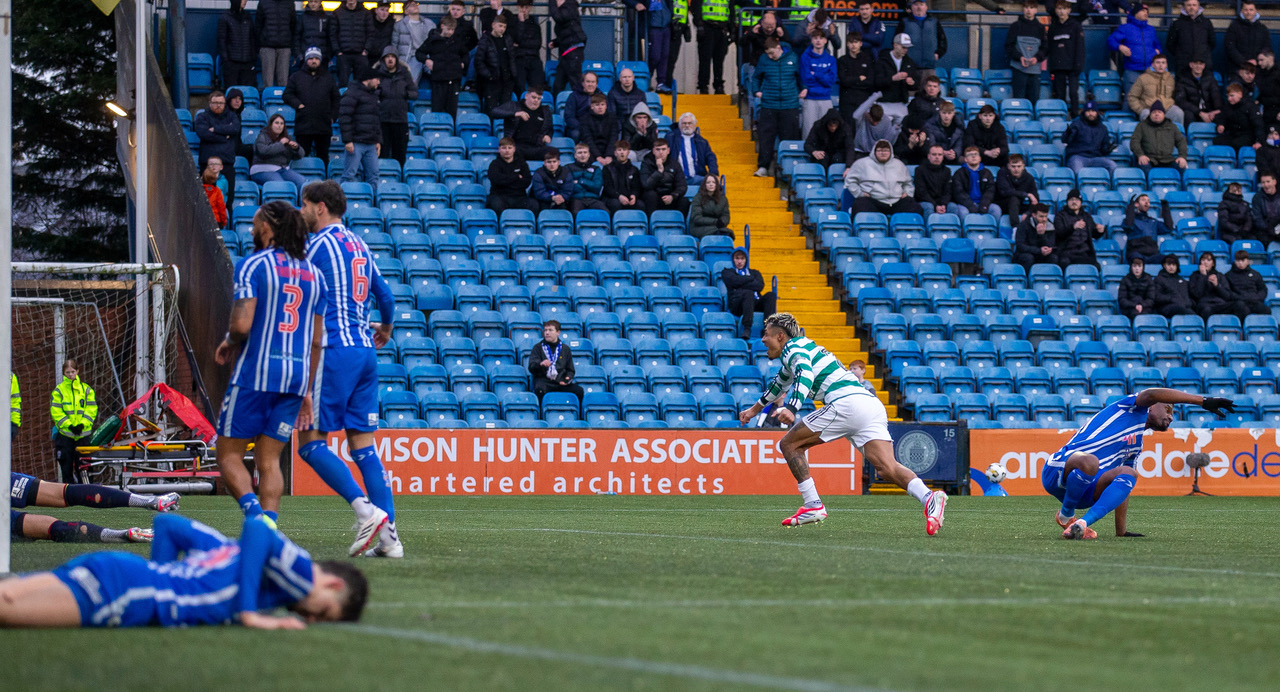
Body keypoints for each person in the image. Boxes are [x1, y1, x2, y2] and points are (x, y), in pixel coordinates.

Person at [738, 313, 949, 531]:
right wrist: (753, 411)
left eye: (766, 335)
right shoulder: (801, 350)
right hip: (870, 404)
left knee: (789, 444)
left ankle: (813, 504)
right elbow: (779, 384)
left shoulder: (794, 348)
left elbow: (805, 373)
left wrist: (792, 407)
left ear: (780, 336)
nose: (762, 339)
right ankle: (929, 498)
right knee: (887, 468)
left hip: (846, 403)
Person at [0, 514, 368, 629]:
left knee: (8, 594)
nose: (307, 618)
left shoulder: (232, 554)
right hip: (125, 592)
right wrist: (250, 614)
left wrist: (158, 574)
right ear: (332, 584)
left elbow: (168, 524)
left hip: (123, 573)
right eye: (321, 612)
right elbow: (259, 527)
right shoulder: (301, 573)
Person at [297, 181, 401, 558]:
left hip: (333, 350)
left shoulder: (316, 245)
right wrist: (385, 329)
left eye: (304, 205)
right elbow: (386, 296)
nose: (302, 212)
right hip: (364, 353)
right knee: (363, 446)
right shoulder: (359, 243)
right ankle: (390, 540)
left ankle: (365, 512)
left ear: (320, 207)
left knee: (309, 443)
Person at [214, 201, 325, 528]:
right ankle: (271, 528)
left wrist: (230, 341)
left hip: (256, 375)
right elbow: (317, 341)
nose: (251, 227)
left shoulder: (253, 265)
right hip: (294, 378)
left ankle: (255, 518)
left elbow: (241, 326)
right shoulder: (316, 276)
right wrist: (307, 389)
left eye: (255, 222)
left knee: (229, 455)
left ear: (267, 227)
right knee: (269, 461)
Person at [1045, 389, 1233, 540]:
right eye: (1168, 409)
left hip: (1084, 493)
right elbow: (1152, 394)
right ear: (1151, 406)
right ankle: (1066, 516)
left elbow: (1123, 487)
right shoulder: (1129, 407)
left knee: (1130, 473)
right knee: (1090, 461)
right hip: (1057, 470)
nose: (1171, 417)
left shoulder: (1136, 445)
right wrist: (1203, 401)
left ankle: (1082, 524)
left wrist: (1121, 531)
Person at [751, 36, 803, 178]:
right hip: (769, 105)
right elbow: (756, 77)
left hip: (789, 104)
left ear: (779, 48)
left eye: (772, 53)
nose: (770, 56)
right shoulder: (764, 59)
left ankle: (787, 170)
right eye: (768, 53)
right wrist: (756, 91)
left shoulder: (793, 57)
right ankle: (763, 167)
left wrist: (803, 88)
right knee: (766, 138)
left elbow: (800, 77)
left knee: (789, 138)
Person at [285, 47, 341, 161]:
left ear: (320, 60)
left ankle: (325, 179)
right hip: (303, 125)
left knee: (323, 157)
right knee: (302, 157)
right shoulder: (296, 76)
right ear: (306, 60)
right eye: (310, 58)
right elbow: (287, 94)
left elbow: (336, 99)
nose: (313, 61)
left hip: (323, 125)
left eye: (316, 58)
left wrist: (332, 117)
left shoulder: (328, 78)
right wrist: (299, 105)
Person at [842, 139, 921, 216]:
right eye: (879, 150)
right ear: (874, 151)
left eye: (886, 150)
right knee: (859, 205)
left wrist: (907, 193)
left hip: (896, 201)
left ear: (891, 152)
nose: (883, 153)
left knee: (914, 207)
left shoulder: (899, 165)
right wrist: (860, 193)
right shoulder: (862, 163)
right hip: (873, 200)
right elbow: (850, 181)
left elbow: (908, 183)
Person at [50, 358, 96, 484]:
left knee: (85, 468)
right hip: (65, 435)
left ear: (77, 371)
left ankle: (87, 494)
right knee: (66, 467)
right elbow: (56, 412)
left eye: (73, 372)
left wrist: (83, 424)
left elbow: (91, 409)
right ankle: (69, 497)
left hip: (83, 435)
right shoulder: (59, 391)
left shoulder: (86, 390)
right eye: (68, 372)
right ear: (64, 373)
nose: (70, 375)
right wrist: (69, 425)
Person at [338, 65, 382, 188]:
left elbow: (376, 120)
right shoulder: (352, 93)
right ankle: (344, 203)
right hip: (356, 142)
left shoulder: (374, 95)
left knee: (374, 176)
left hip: (371, 143)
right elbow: (344, 117)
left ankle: (372, 204)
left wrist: (378, 140)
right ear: (369, 79)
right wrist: (348, 140)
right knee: (349, 175)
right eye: (377, 79)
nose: (378, 82)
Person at [373, 47, 418, 167]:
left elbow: (414, 93)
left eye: (392, 57)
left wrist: (405, 94)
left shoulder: (405, 74)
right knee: (382, 154)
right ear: (383, 59)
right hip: (383, 120)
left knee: (400, 154)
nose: (390, 59)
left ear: (396, 59)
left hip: (400, 120)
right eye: (387, 57)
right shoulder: (377, 74)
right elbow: (370, 91)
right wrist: (379, 93)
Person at [417, 17, 468, 120]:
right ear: (442, 26)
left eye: (452, 30)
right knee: (437, 110)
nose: (450, 32)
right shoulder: (432, 40)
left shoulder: (457, 40)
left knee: (452, 111)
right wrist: (427, 61)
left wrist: (463, 63)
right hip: (438, 79)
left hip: (454, 78)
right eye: (449, 29)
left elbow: (466, 54)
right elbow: (419, 53)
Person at [721, 248, 776, 339]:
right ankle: (747, 328)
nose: (739, 261)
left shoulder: (755, 272)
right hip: (738, 305)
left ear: (746, 260)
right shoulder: (727, 272)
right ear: (733, 259)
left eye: (742, 258)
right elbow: (733, 281)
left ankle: (768, 328)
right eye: (737, 258)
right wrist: (749, 279)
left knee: (771, 295)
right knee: (748, 293)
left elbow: (760, 286)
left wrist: (740, 283)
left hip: (755, 302)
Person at [195, 91, 240, 201]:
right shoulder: (202, 117)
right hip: (208, 165)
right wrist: (224, 137)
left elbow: (235, 129)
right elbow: (204, 134)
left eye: (221, 103)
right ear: (210, 103)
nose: (218, 105)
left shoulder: (232, 116)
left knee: (228, 200)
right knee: (207, 200)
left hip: (227, 164)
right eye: (215, 102)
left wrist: (215, 129)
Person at [1108, 4, 1163, 94]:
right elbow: (1111, 41)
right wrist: (1120, 47)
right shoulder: (1125, 28)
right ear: (1135, 13)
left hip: (1150, 70)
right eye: (1143, 11)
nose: (1146, 13)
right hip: (1132, 70)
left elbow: (1157, 45)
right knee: (1130, 98)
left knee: (1150, 98)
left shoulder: (1150, 29)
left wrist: (1157, 51)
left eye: (1147, 11)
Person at [528, 320, 584, 403]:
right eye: (546, 330)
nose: (547, 333)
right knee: (539, 389)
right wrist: (540, 364)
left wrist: (566, 379)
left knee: (579, 391)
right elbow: (531, 367)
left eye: (550, 330)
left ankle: (577, 415)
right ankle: (541, 414)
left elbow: (570, 370)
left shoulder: (565, 349)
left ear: (558, 332)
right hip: (544, 381)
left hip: (560, 381)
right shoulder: (538, 348)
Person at [250, 114, 307, 193]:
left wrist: (296, 148)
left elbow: (300, 155)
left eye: (281, 123)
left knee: (302, 182)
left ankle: (300, 204)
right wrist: (280, 144)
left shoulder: (287, 138)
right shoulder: (262, 136)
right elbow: (263, 151)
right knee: (280, 184)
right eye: (276, 123)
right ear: (271, 125)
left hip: (282, 169)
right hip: (262, 169)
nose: (279, 126)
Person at [894, 0, 945, 84]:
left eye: (921, 4)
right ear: (912, 7)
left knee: (928, 93)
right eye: (916, 5)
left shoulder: (934, 22)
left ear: (926, 7)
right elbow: (896, 40)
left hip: (929, 66)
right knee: (911, 94)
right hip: (909, 67)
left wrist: (939, 53)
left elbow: (942, 40)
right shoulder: (904, 22)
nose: (919, 7)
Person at [1047, 0, 1084, 115]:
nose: (1061, 11)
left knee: (1073, 92)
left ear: (1069, 10)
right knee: (1059, 93)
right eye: (1059, 9)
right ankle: (1061, 115)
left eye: (1064, 9)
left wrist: (1078, 65)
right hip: (1058, 66)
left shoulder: (1076, 26)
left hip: (1073, 66)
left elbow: (1080, 47)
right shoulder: (1053, 27)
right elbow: (1050, 47)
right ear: (1055, 10)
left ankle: (1074, 116)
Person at [872, 34, 919, 124]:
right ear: (895, 45)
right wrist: (892, 78)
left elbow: (917, 83)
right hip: (884, 103)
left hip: (901, 103)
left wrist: (912, 82)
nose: (906, 50)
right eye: (903, 47)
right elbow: (876, 82)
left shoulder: (909, 61)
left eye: (907, 47)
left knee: (901, 132)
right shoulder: (882, 61)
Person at [1006, 1, 1047, 103]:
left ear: (1036, 10)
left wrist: (1036, 58)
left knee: (1033, 101)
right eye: (1026, 7)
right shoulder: (1015, 26)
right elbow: (1008, 46)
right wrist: (1019, 57)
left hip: (1035, 71)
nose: (1029, 10)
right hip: (1018, 69)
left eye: (1032, 7)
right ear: (1023, 9)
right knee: (1019, 101)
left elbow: (1045, 48)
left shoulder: (1041, 28)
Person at [799, 30, 837, 139]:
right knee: (808, 132)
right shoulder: (805, 57)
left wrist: (815, 73)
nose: (818, 41)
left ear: (825, 41)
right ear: (811, 40)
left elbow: (830, 81)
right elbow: (806, 79)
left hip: (825, 98)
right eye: (815, 38)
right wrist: (823, 75)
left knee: (826, 131)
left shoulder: (831, 60)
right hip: (810, 98)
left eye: (821, 38)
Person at [475, 15, 517, 115]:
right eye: (500, 26)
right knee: (492, 110)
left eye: (504, 27)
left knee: (506, 109)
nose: (502, 29)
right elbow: (478, 61)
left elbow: (511, 58)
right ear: (493, 25)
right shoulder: (485, 40)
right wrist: (489, 75)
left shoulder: (507, 39)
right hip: (491, 81)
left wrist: (513, 74)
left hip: (506, 80)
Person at [1130, 101, 1188, 171]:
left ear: (1164, 114)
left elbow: (1181, 142)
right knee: (1144, 166)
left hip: (1167, 160)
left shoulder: (1172, 127)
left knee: (1181, 166)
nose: (1156, 114)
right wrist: (1141, 155)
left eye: (1159, 112)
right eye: (1154, 112)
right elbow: (1134, 142)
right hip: (1148, 159)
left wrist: (1182, 157)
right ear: (1150, 114)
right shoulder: (1141, 126)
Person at [487, 137, 538, 214]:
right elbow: (496, 180)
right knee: (496, 204)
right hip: (500, 196)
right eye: (504, 148)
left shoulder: (522, 164)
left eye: (509, 148)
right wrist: (516, 177)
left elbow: (526, 182)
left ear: (514, 149)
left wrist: (506, 181)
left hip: (519, 197)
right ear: (499, 149)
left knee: (534, 204)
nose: (507, 150)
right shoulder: (494, 164)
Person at [1053, 189, 1104, 267]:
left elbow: (1094, 234)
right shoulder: (1060, 216)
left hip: (1084, 253)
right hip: (1067, 253)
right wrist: (1073, 227)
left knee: (1096, 266)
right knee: (1064, 263)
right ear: (1067, 202)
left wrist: (1100, 231)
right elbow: (1060, 233)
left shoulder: (1086, 216)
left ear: (1080, 202)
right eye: (1071, 200)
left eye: (1076, 199)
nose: (1074, 202)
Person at [501, 88, 553, 162]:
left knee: (553, 152)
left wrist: (548, 136)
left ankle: (543, 173)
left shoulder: (545, 111)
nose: (536, 100)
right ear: (526, 96)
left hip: (536, 147)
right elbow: (495, 112)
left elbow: (550, 128)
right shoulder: (515, 106)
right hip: (517, 146)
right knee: (513, 153)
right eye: (533, 97)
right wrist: (515, 114)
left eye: (539, 98)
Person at [949, 146, 1000, 220]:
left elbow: (990, 191)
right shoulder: (959, 173)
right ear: (965, 159)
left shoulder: (987, 173)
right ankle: (964, 231)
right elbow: (959, 193)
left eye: (976, 154)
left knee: (996, 209)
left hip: (983, 203)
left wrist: (984, 205)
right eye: (970, 155)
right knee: (962, 212)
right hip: (965, 204)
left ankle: (994, 231)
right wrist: (970, 206)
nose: (973, 156)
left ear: (980, 158)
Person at [1062, 102, 1116, 173]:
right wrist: (1067, 134)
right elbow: (1065, 140)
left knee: (1112, 165)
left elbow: (1104, 148)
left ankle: (1105, 184)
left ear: (1097, 112)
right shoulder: (1076, 124)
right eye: (1088, 111)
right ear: (1084, 112)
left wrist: (1107, 149)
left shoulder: (1102, 128)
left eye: (1093, 111)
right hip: (1078, 156)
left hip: (1095, 158)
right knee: (1077, 168)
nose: (1090, 114)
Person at [669, 112, 719, 187]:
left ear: (695, 125)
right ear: (679, 125)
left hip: (696, 178)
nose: (687, 125)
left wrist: (714, 173)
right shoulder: (671, 138)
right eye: (684, 123)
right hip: (675, 178)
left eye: (690, 123)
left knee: (715, 184)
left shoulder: (702, 141)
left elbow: (710, 157)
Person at [1128, 54, 1182, 123]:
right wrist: (1141, 110)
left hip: (1166, 108)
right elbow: (1132, 97)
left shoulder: (1170, 79)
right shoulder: (1143, 78)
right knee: (1145, 114)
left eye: (1163, 63)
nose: (1160, 65)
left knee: (1178, 113)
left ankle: (1177, 133)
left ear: (1166, 65)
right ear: (1153, 65)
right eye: (1158, 62)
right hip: (1149, 109)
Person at [254, 0, 296, 88]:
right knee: (267, 82)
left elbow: (293, 25)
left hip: (285, 46)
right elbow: (258, 26)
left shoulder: (289, 3)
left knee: (283, 82)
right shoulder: (263, 2)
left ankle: (282, 101)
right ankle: (268, 101)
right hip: (267, 46)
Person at [641, 138, 690, 214]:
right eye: (658, 149)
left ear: (668, 151)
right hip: (654, 199)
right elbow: (646, 184)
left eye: (663, 149)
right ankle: (650, 222)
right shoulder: (646, 163)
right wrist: (659, 171)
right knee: (650, 195)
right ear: (653, 151)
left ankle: (680, 224)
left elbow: (682, 186)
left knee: (684, 201)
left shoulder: (675, 164)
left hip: (670, 197)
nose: (661, 152)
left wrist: (673, 196)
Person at [1164, 0, 1214, 73]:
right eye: (1189, 5)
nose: (1191, 7)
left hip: (1203, 64)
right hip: (1183, 65)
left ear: (1198, 7)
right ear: (1184, 7)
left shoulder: (1206, 23)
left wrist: (1203, 54)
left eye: (1194, 5)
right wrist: (1181, 55)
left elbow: (1212, 42)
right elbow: (1170, 44)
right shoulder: (1177, 24)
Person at [550, 0, 588, 95]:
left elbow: (558, 17)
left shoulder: (570, 5)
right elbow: (568, 31)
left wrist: (552, 3)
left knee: (576, 83)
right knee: (557, 86)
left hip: (573, 50)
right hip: (566, 51)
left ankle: (581, 106)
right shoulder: (566, 9)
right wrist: (555, 42)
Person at [331, 0, 373, 86]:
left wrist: (366, 50)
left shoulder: (366, 13)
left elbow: (371, 33)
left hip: (360, 55)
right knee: (343, 85)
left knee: (361, 85)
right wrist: (338, 51)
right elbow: (332, 34)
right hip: (343, 55)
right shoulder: (337, 12)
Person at [392, 0, 434, 83]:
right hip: (412, 57)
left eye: (416, 4)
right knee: (411, 81)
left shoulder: (429, 23)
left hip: (428, 55)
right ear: (406, 11)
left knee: (442, 73)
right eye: (411, 5)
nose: (415, 6)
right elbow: (394, 46)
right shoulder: (399, 25)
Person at [694, 0, 731, 95]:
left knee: (719, 59)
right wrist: (699, 24)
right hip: (707, 26)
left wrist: (731, 29)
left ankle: (718, 85)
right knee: (705, 58)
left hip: (722, 28)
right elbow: (696, 6)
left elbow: (730, 9)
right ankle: (703, 86)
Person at [837, 32, 876, 122]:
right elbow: (844, 81)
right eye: (851, 42)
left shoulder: (868, 59)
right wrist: (858, 78)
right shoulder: (842, 60)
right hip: (847, 102)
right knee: (848, 129)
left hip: (863, 100)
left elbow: (870, 82)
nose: (853, 45)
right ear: (847, 44)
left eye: (856, 42)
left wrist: (851, 81)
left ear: (860, 44)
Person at [740, 11, 789, 82]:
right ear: (762, 23)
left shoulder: (780, 29)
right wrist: (751, 34)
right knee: (749, 73)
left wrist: (782, 36)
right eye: (767, 26)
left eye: (772, 26)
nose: (769, 29)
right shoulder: (756, 29)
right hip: (757, 63)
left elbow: (790, 45)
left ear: (775, 23)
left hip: (775, 63)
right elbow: (741, 43)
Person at [1123, 193, 1173, 264]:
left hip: (1152, 256)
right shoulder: (1132, 220)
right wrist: (1131, 206)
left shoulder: (1153, 222)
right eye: (1143, 200)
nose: (1147, 202)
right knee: (1137, 260)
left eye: (1148, 201)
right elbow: (1128, 225)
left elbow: (1168, 228)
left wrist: (1165, 207)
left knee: (1169, 260)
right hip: (1136, 255)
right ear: (1136, 204)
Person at [218, 0, 257, 88]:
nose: (245, 1)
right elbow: (222, 40)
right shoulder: (225, 18)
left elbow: (252, 38)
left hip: (248, 62)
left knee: (248, 91)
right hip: (231, 63)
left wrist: (253, 57)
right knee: (232, 91)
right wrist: (226, 60)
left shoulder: (248, 16)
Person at [637, 0, 673, 93]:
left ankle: (661, 83)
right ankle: (647, 80)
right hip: (653, 27)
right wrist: (636, 4)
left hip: (666, 27)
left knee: (664, 56)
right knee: (654, 56)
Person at [1174, 58, 1222, 127]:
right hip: (1194, 111)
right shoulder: (1183, 79)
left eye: (1200, 64)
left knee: (1221, 115)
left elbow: (1216, 95)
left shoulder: (1210, 78)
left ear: (1204, 66)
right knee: (1188, 115)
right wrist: (1199, 113)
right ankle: (1188, 137)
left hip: (1209, 110)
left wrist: (1215, 111)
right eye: (1196, 63)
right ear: (1191, 65)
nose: (1198, 66)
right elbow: (1181, 100)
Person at [1215, 83, 1263, 150]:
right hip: (1233, 134)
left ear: (1240, 94)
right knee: (1218, 141)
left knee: (1236, 144)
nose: (1229, 99)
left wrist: (1259, 141)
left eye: (1232, 96)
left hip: (1248, 136)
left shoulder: (1250, 107)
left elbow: (1258, 125)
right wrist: (1221, 125)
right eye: (1228, 96)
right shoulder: (1227, 107)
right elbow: (1221, 117)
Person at [1225, 1, 1269, 74]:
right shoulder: (1234, 27)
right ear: (1242, 11)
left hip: (1258, 68)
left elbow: (1267, 47)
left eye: (1251, 10)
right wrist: (1244, 62)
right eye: (1246, 10)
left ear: (1255, 11)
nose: (1248, 12)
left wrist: (1257, 61)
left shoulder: (1262, 28)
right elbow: (1230, 47)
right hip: (1238, 68)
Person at [1189, 251, 1236, 319]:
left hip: (1220, 304)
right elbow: (1196, 295)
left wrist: (1217, 285)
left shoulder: (1220, 276)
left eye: (1208, 260)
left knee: (1239, 305)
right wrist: (1203, 276)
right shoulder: (1194, 276)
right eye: (1203, 260)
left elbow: (1227, 296)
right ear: (1200, 263)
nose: (1205, 262)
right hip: (1204, 304)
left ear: (1213, 263)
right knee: (1207, 310)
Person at [603, 140, 645, 215]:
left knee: (640, 205)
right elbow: (607, 188)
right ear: (615, 153)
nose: (622, 152)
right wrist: (619, 196)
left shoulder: (634, 169)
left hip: (629, 198)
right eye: (619, 150)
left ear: (628, 152)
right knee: (615, 204)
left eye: (624, 150)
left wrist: (634, 195)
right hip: (613, 198)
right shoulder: (607, 168)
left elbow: (637, 187)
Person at [1225, 250, 1271, 317]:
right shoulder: (1228, 275)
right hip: (1239, 302)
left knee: (1266, 310)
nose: (1240, 263)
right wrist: (1240, 297)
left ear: (1247, 261)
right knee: (1242, 308)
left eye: (1243, 260)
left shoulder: (1255, 274)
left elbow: (1263, 290)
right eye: (1238, 261)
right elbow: (1228, 292)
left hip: (1254, 301)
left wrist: (1257, 297)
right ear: (1235, 261)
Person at [565, 142, 608, 214]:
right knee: (576, 213)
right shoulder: (568, 167)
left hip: (593, 199)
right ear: (575, 155)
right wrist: (589, 184)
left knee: (606, 213)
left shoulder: (596, 169)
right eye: (579, 153)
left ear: (589, 155)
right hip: (576, 199)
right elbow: (570, 186)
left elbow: (597, 187)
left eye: (585, 152)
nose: (582, 155)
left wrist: (580, 181)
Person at [511, 0, 544, 92]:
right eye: (522, 7)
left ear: (530, 8)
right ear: (518, 7)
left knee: (537, 85)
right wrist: (521, 23)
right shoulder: (513, 23)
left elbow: (537, 44)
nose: (524, 10)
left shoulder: (535, 25)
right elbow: (515, 39)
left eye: (526, 7)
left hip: (533, 57)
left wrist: (520, 44)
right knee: (519, 86)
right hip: (519, 57)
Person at [563, 71, 605, 142]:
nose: (590, 84)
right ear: (583, 83)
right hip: (578, 127)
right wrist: (582, 127)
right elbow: (569, 116)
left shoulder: (602, 96)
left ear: (596, 84)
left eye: (593, 82)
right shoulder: (574, 96)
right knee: (575, 134)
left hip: (596, 126)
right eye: (588, 82)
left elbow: (608, 114)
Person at [964, 104, 1009, 168]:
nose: (988, 118)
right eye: (985, 116)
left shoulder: (999, 127)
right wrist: (986, 152)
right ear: (980, 116)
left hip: (994, 157)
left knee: (1006, 158)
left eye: (990, 116)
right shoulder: (972, 125)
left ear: (994, 116)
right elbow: (969, 145)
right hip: (978, 155)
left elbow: (1005, 148)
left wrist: (998, 151)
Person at [1013, 204, 1058, 268]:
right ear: (1034, 215)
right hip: (1025, 254)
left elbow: (1051, 244)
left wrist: (1042, 236)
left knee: (1053, 258)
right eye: (1041, 216)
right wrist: (1039, 250)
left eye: (1046, 216)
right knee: (1028, 258)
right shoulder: (1024, 225)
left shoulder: (1050, 226)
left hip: (1041, 254)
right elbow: (1020, 246)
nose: (1044, 219)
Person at [580, 93, 619, 163]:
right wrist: (598, 156)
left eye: (602, 104)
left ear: (606, 106)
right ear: (592, 106)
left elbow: (613, 137)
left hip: (609, 148)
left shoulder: (612, 118)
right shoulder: (585, 118)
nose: (600, 107)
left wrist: (609, 155)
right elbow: (588, 139)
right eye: (597, 105)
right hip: (592, 150)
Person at [914, 144, 953, 215]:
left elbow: (948, 191)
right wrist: (935, 205)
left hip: (941, 202)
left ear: (943, 157)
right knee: (929, 207)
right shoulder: (919, 170)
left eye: (940, 154)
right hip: (926, 201)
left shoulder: (947, 171)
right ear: (929, 156)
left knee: (953, 207)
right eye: (934, 154)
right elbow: (921, 192)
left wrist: (943, 204)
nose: (937, 157)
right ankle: (930, 226)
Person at [298, 0, 334, 69]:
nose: (313, 4)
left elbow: (330, 37)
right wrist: (299, 55)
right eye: (311, 2)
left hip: (323, 57)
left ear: (320, 2)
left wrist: (328, 55)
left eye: (316, 2)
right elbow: (297, 36)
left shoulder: (326, 18)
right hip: (305, 56)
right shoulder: (302, 18)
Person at [365, 1, 397, 70]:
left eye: (387, 10)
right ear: (376, 10)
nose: (384, 13)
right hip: (369, 57)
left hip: (385, 58)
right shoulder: (368, 22)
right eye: (382, 9)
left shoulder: (392, 24)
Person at [1253, 173, 1280, 244]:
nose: (1266, 185)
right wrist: (1269, 228)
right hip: (1264, 231)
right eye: (1263, 182)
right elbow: (1257, 218)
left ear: (1274, 182)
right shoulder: (1257, 198)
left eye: (1268, 181)